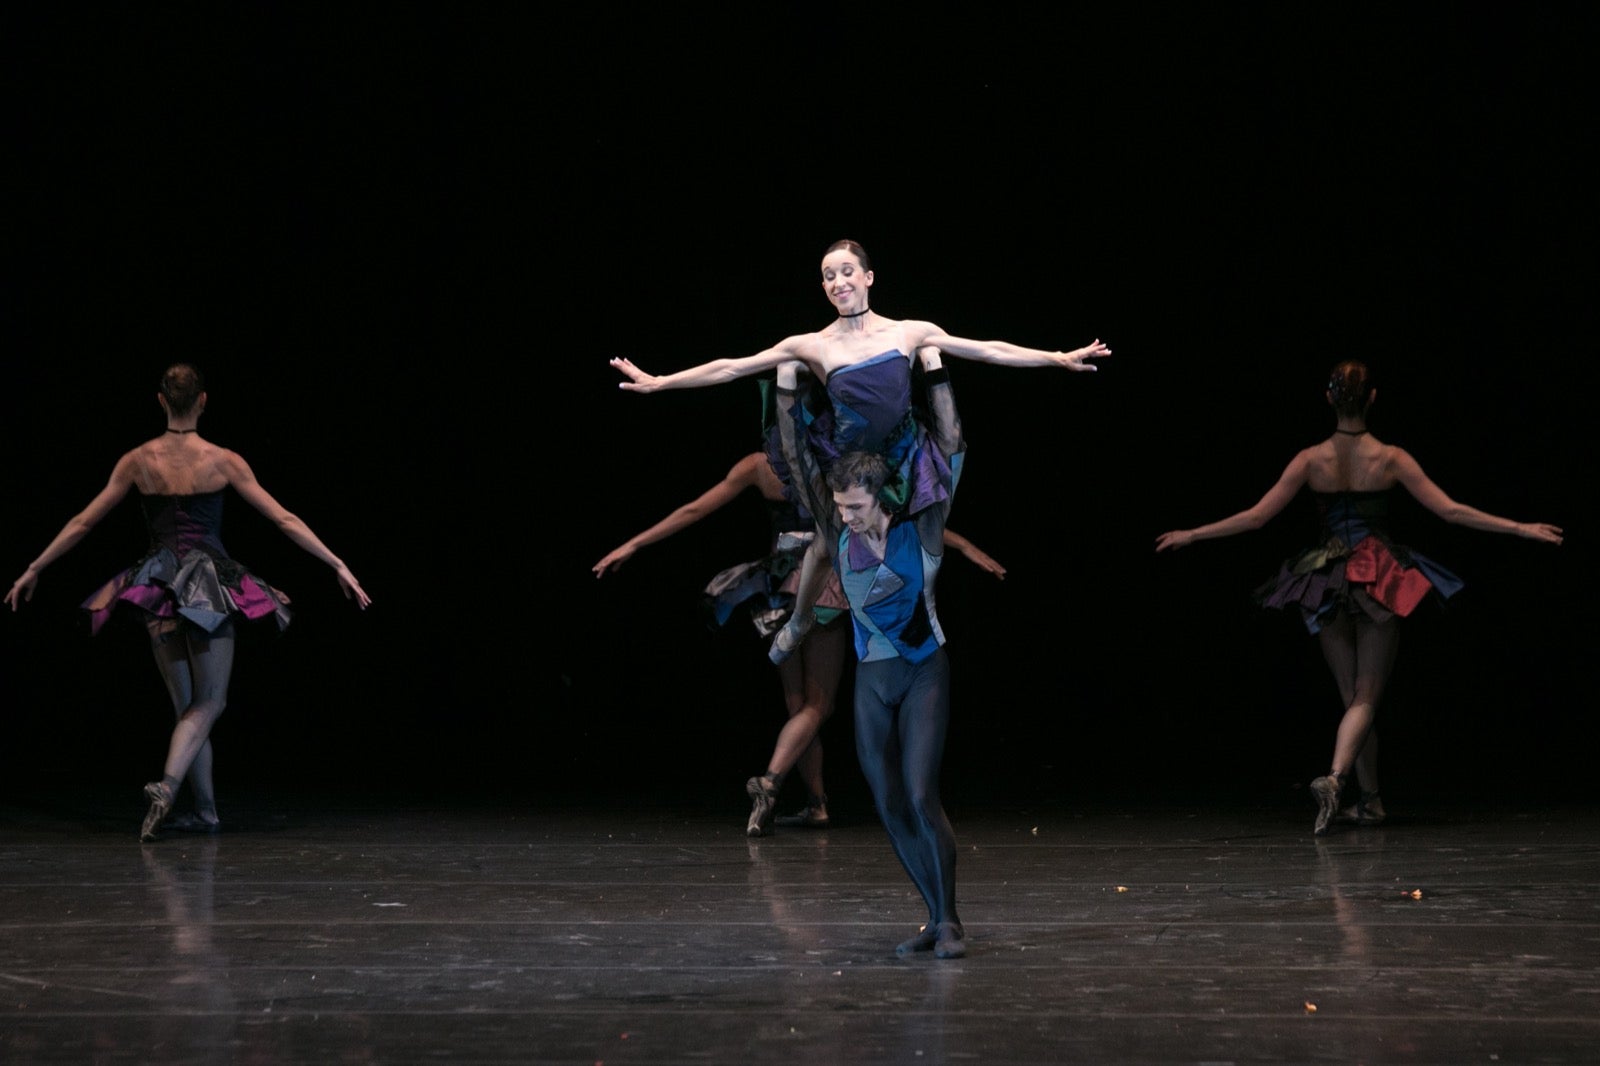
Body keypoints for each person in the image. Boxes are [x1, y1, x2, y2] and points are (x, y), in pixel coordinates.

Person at [611, 238, 1107, 660]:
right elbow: (732, 366)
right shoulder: (814, 343)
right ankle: (801, 618)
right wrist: (660, 383)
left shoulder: (907, 332)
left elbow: (988, 347)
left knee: (921, 532)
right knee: (830, 541)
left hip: (902, 454)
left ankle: (920, 619)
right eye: (828, 276)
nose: (838, 282)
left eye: (846, 271)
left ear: (868, 277)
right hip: (848, 464)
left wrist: (1057, 357)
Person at [1154, 360, 1563, 835]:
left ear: (1329, 398)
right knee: (1366, 696)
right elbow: (1450, 511)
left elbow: (1255, 517)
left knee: (1353, 697)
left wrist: (1193, 534)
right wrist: (1521, 528)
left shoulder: (1311, 459)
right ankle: (1336, 778)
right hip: (1378, 577)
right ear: (1372, 398)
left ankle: (1370, 802)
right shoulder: (1390, 458)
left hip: (1326, 575)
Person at [5, 363, 371, 841]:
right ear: (203, 401)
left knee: (187, 706)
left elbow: (82, 522)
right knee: (210, 700)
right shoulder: (222, 460)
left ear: (161, 401)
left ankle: (206, 811)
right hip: (210, 588)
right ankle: (169, 785)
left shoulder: (137, 460)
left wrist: (34, 567)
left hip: (159, 584)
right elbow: (283, 519)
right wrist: (337, 562)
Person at [593, 417, 1006, 838]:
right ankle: (771, 782)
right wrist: (963, 544)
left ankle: (817, 804)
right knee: (818, 707)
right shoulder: (832, 468)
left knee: (799, 708)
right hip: (823, 586)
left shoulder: (759, 466)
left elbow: (694, 509)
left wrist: (633, 543)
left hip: (777, 589)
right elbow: (894, 515)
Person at [774, 353, 970, 959]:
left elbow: (953, 442)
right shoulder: (836, 530)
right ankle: (931, 920)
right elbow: (801, 464)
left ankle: (951, 921)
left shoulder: (926, 525)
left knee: (918, 793)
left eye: (856, 508)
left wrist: (935, 376)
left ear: (880, 496)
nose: (847, 519)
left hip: (923, 674)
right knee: (886, 804)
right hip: (873, 683)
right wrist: (785, 392)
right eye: (840, 509)